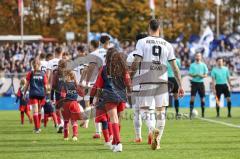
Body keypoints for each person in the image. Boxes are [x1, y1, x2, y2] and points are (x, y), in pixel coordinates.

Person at [130, 19, 184, 150]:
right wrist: (180, 85)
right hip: (162, 82)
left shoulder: (142, 42)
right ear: (159, 28)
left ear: (149, 27)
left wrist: (131, 77)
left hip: (146, 80)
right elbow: (175, 68)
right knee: (161, 112)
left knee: (144, 109)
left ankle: (152, 129)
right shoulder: (167, 44)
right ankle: (158, 141)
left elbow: (136, 61)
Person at [93, 49, 131, 152]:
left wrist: (96, 98)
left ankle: (118, 143)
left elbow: (98, 86)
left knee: (113, 119)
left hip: (109, 96)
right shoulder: (124, 68)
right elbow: (128, 82)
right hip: (122, 96)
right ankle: (114, 142)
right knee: (118, 120)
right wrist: (129, 93)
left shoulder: (104, 69)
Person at [82, 35, 110, 139]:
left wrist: (87, 82)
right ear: (108, 42)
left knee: (96, 106)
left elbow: (91, 68)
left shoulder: (94, 53)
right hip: (109, 84)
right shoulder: (111, 53)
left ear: (99, 42)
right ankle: (110, 132)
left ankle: (98, 132)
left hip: (97, 83)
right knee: (110, 108)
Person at [127, 33, 153, 143]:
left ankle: (139, 136)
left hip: (136, 86)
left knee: (137, 112)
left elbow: (128, 72)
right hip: (150, 84)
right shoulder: (150, 54)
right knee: (149, 111)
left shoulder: (131, 55)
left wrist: (127, 84)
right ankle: (152, 129)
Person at [56, 60, 85, 141]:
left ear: (67, 76)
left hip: (66, 104)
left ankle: (65, 136)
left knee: (66, 121)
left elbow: (63, 96)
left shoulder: (64, 85)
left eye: (65, 76)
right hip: (74, 103)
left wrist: (60, 105)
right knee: (74, 120)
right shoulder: (75, 85)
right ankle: (75, 135)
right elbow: (82, 94)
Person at [23, 59, 48, 133]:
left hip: (33, 94)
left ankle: (37, 128)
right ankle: (38, 127)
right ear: (40, 65)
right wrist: (46, 95)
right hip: (41, 94)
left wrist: (24, 93)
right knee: (39, 111)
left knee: (35, 112)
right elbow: (46, 86)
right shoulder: (43, 74)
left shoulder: (30, 73)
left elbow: (27, 85)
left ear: (32, 65)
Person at [47, 47, 64, 133]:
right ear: (62, 52)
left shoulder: (50, 62)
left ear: (55, 52)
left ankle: (61, 124)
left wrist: (48, 87)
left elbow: (48, 75)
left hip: (55, 87)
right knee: (64, 107)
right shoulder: (66, 62)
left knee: (57, 108)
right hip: (65, 88)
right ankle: (64, 124)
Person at [189, 52, 208, 118]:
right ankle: (191, 112)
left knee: (202, 99)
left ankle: (203, 114)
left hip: (201, 83)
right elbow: (190, 74)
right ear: (195, 57)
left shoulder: (203, 65)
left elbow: (206, 74)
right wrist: (195, 75)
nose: (198, 57)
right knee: (192, 98)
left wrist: (202, 76)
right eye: (197, 56)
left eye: (199, 56)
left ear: (201, 57)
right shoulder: (192, 65)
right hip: (194, 83)